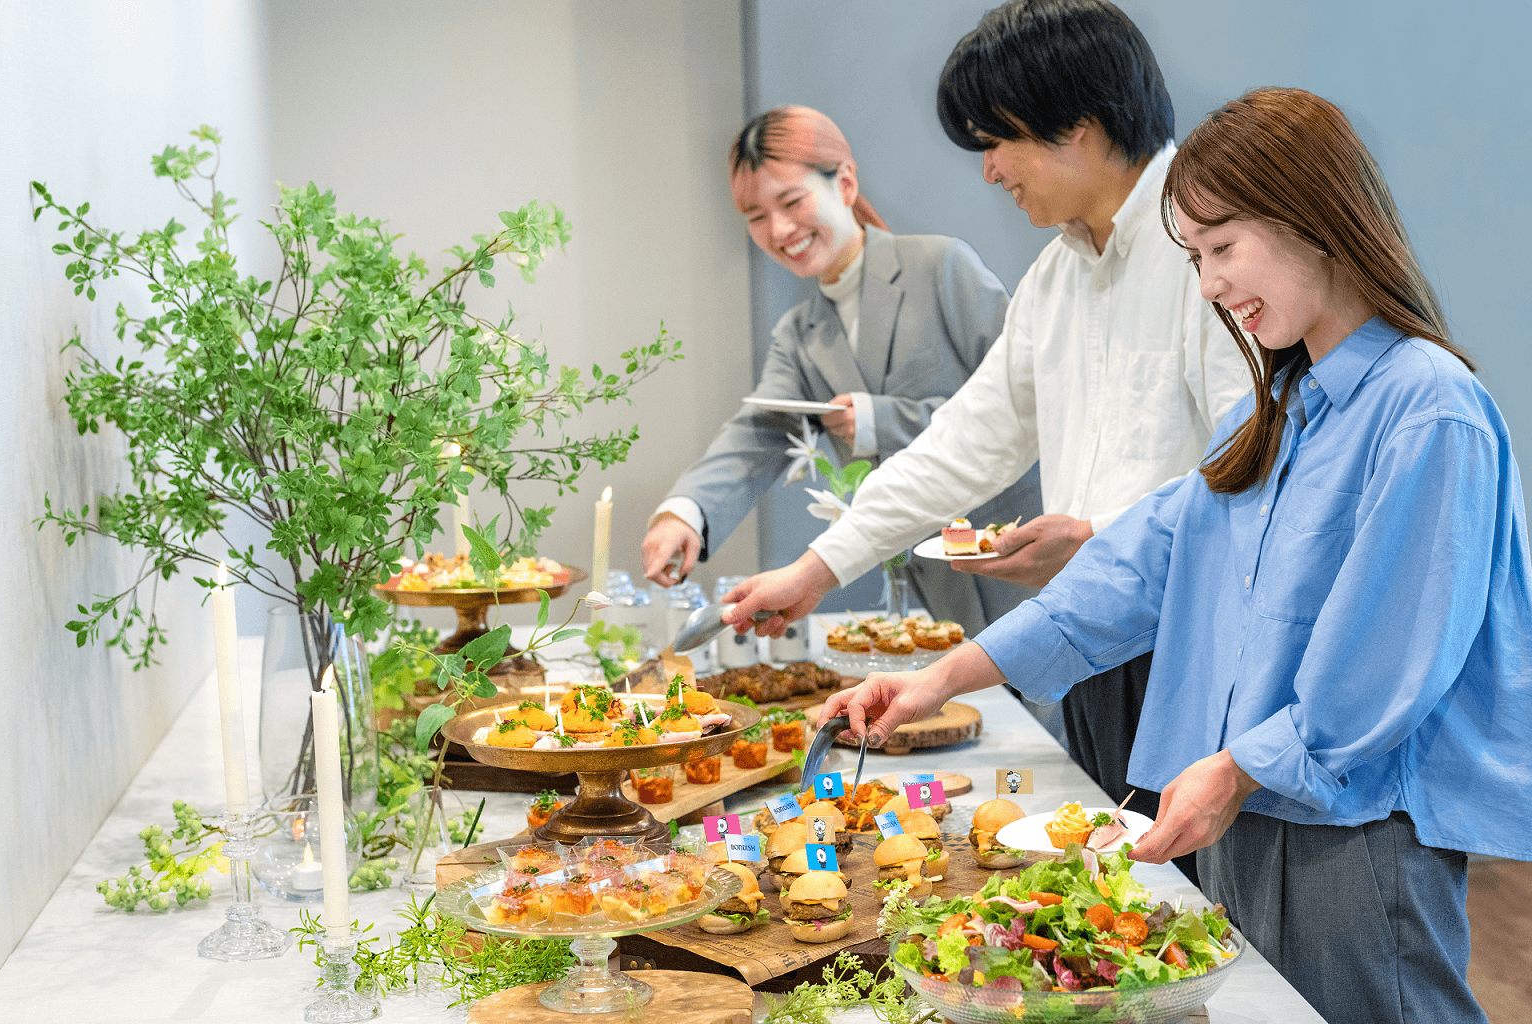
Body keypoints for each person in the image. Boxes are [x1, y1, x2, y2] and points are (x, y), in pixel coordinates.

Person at [820, 87, 1527, 1024]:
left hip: (1350, 835)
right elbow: (1135, 568)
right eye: (1194, 258)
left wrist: (1236, 769)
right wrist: (940, 679)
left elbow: (1385, 661)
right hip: (1240, 809)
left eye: (1222, 248)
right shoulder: (1273, 410)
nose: (1209, 287)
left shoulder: (1429, 409)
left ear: (1314, 218)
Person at [723, 0, 1250, 885]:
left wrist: (1101, 536)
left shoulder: (1208, 255)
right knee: (1115, 897)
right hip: (1085, 635)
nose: (990, 169)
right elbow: (966, 441)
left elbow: (1250, 470)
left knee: (1196, 910)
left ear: (1079, 126)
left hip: (1195, 648)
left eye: (997, 140)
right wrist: (817, 569)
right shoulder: (1057, 276)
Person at [641, 105, 1042, 635]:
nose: (779, 229)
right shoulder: (799, 333)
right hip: (934, 594)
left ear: (846, 183)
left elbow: (1030, 403)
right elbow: (757, 434)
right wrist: (684, 511)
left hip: (1022, 563)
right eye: (756, 217)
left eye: (791, 202)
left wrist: (882, 420)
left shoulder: (941, 266)